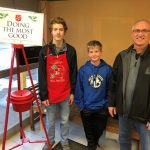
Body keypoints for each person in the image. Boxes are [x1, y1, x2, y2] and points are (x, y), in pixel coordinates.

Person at [108, 19, 150, 150]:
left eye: (144, 30)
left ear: (149, 33)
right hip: (123, 113)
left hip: (144, 117)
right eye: (137, 30)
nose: (140, 34)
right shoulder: (122, 56)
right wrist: (111, 103)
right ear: (132, 34)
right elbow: (113, 82)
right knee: (124, 143)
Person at [38, 17, 77, 150]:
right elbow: (42, 75)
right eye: (55, 29)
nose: (58, 32)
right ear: (51, 31)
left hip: (65, 93)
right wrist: (43, 96)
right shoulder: (44, 51)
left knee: (65, 121)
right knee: (50, 122)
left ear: (64, 31)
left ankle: (64, 142)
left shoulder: (71, 51)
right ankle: (50, 141)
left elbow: (73, 73)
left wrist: (72, 92)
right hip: (50, 94)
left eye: (61, 29)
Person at [74, 40, 112, 150]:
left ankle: (94, 143)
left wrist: (106, 104)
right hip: (87, 108)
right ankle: (92, 145)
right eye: (91, 52)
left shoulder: (108, 70)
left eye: (96, 51)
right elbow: (79, 89)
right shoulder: (83, 70)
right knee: (89, 133)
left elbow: (110, 89)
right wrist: (81, 106)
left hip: (102, 108)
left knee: (99, 130)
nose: (94, 54)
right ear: (88, 53)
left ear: (101, 52)